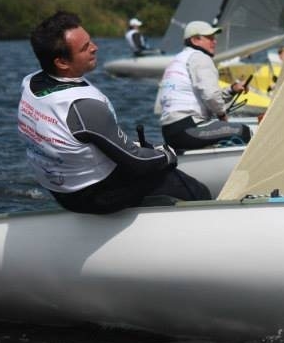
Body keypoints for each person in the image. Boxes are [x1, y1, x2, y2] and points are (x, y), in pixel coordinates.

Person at [18, 11, 211, 214]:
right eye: (85, 47)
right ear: (62, 62)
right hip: (94, 197)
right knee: (198, 190)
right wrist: (166, 155)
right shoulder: (85, 106)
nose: (95, 47)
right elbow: (138, 163)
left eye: (90, 41)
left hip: (61, 192)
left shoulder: (30, 82)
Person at [157, 20, 252, 151]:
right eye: (209, 38)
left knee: (224, 129)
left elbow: (205, 96)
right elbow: (211, 96)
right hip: (188, 129)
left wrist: (232, 89)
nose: (215, 41)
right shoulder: (200, 58)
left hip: (170, 132)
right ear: (195, 40)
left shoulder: (178, 59)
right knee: (244, 131)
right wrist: (222, 115)